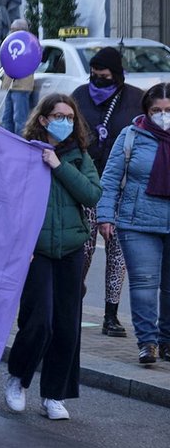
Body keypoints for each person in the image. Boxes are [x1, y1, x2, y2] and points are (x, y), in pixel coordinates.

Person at [5, 94, 100, 421]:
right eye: (58, 116)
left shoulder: (78, 156)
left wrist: (59, 167)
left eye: (70, 117)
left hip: (71, 249)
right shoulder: (26, 153)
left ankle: (55, 395)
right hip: (37, 251)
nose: (65, 122)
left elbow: (91, 193)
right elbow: (9, 197)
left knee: (66, 324)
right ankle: (18, 377)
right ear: (43, 119)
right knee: (39, 319)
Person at [97, 83, 170, 365]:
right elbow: (111, 178)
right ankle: (148, 343)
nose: (163, 116)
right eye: (157, 111)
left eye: (168, 111)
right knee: (144, 284)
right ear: (146, 111)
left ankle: (167, 341)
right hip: (137, 222)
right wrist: (105, 216)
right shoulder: (131, 136)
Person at [71, 46, 142, 338]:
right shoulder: (79, 95)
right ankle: (73, 302)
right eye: (94, 76)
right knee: (84, 251)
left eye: (104, 77)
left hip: (123, 188)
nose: (97, 83)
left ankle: (111, 316)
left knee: (117, 254)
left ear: (117, 76)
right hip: (88, 185)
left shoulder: (135, 99)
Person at [0, 19, 36, 135]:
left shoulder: (29, 43)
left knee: (20, 119)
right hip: (9, 83)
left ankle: (20, 143)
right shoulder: (10, 42)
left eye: (13, 29)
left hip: (21, 85)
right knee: (6, 118)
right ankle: (8, 142)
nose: (11, 32)